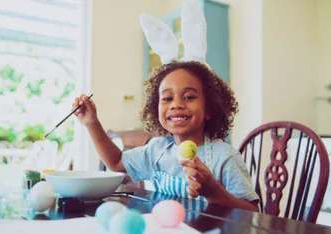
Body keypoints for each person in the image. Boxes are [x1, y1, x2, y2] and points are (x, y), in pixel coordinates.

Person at [73, 0, 259, 212]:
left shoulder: (224, 156)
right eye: (167, 99)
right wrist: (91, 123)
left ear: (210, 108)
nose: (176, 105)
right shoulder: (157, 150)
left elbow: (252, 212)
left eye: (189, 97)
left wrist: (213, 191)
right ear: (156, 108)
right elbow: (116, 162)